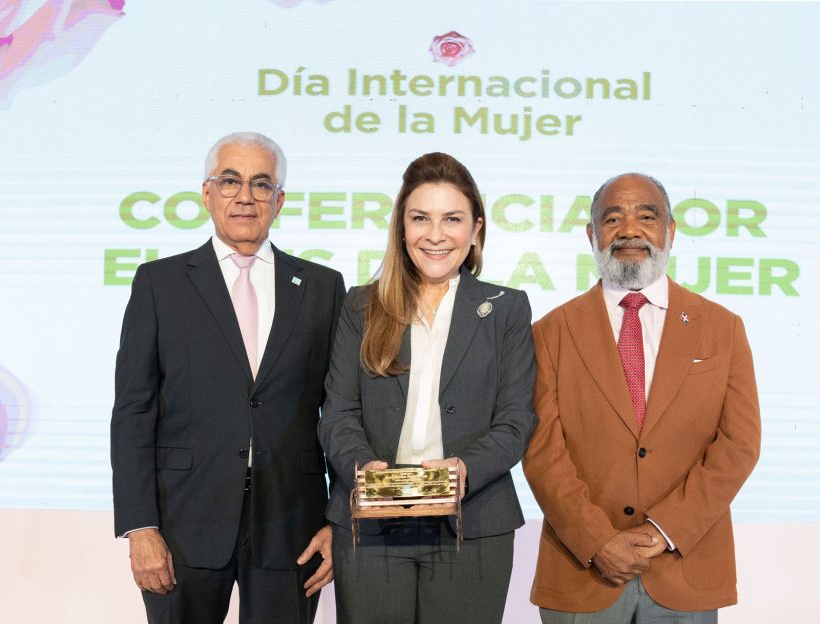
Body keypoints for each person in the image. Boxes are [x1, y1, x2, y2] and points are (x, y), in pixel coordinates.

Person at [111, 132, 345, 623]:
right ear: (206, 193)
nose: (245, 196)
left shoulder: (323, 287)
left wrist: (337, 519)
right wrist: (140, 527)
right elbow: (134, 411)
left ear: (279, 201)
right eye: (230, 181)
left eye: (262, 184)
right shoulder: (160, 283)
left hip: (293, 527)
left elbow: (342, 411)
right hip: (181, 525)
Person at [523, 173, 761, 623]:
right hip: (582, 572)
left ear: (669, 232)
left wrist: (664, 530)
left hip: (684, 569)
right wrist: (598, 541)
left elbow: (739, 445)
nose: (629, 230)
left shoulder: (722, 327)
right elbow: (541, 453)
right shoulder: (550, 332)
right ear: (592, 235)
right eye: (612, 218)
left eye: (646, 216)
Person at [318, 152, 537, 623]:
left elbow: (517, 419)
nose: (435, 235)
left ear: (475, 229)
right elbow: (336, 413)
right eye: (421, 218)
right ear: (401, 226)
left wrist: (463, 470)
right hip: (372, 528)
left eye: (452, 219)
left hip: (473, 526)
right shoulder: (361, 306)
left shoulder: (508, 309)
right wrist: (366, 472)